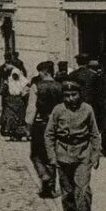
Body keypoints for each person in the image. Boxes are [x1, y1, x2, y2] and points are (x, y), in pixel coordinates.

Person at [46, 79, 102, 211]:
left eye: (73, 94)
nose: (70, 98)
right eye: (67, 95)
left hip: (82, 155)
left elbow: (94, 134)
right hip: (63, 156)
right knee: (68, 194)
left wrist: (95, 155)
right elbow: (49, 135)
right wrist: (52, 157)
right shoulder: (58, 110)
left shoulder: (87, 110)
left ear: (80, 94)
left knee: (83, 193)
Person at [30, 61, 64, 199]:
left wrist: (28, 125)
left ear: (45, 72)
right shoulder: (60, 87)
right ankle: (49, 189)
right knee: (52, 155)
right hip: (56, 124)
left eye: (39, 72)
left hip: (40, 123)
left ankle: (44, 175)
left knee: (36, 154)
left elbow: (31, 108)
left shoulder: (36, 86)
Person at [2, 62, 30, 141]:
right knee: (11, 117)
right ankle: (11, 134)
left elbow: (27, 86)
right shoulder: (10, 80)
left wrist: (23, 93)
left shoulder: (21, 79)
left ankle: (19, 134)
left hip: (18, 100)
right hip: (11, 100)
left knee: (19, 117)